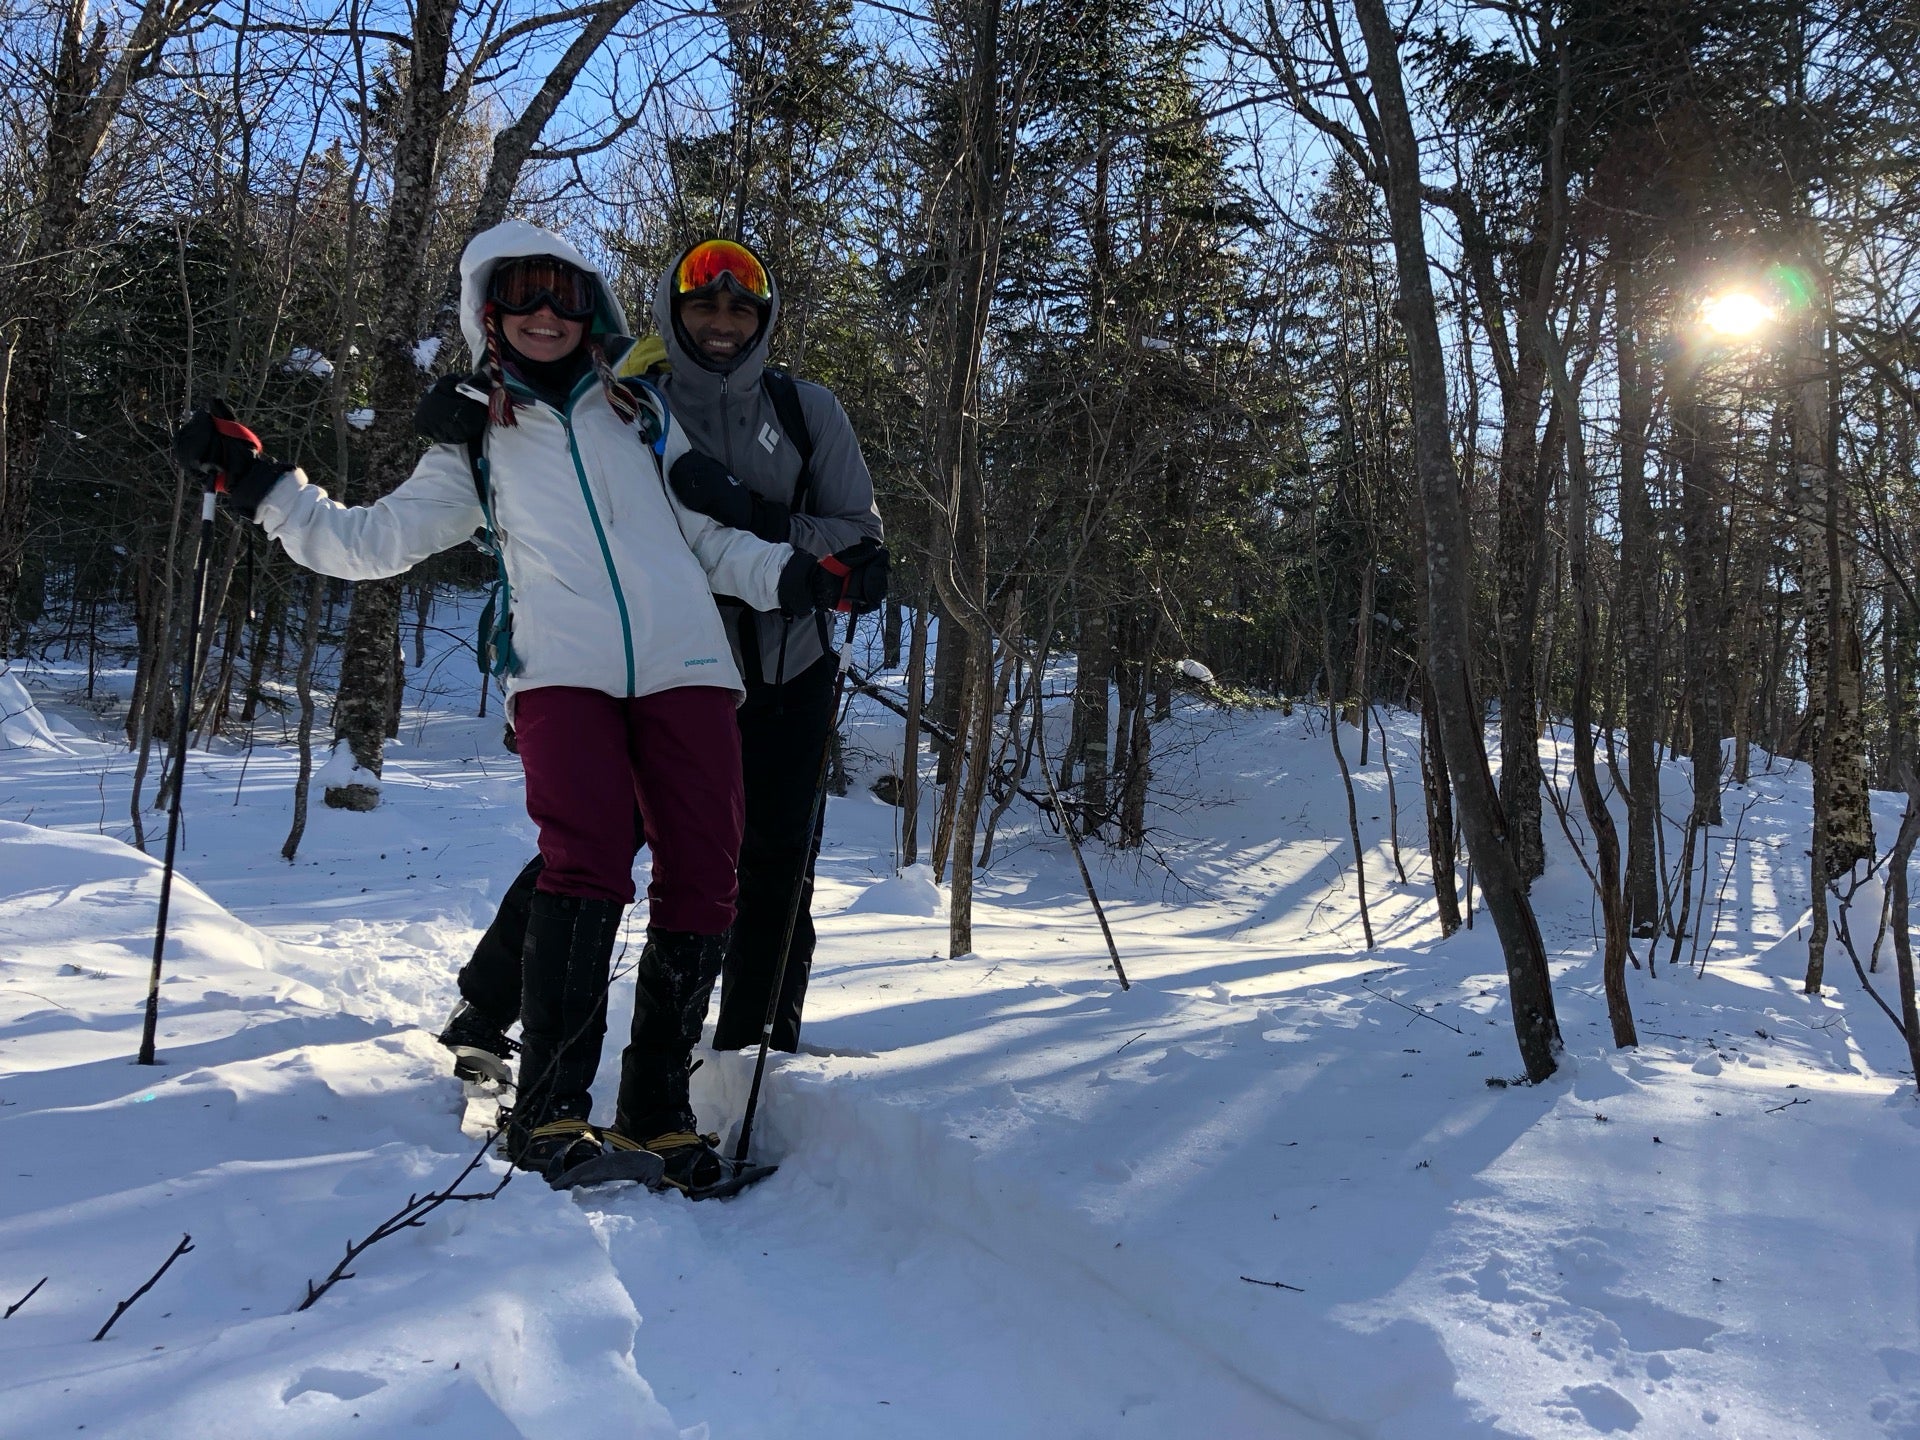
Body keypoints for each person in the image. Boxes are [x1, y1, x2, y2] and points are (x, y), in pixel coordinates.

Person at [172, 220, 886, 1192]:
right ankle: (551, 1107)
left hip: (689, 670)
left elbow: (707, 541)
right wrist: (261, 485)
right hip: (565, 675)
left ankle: (659, 1118)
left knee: (708, 880)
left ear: (591, 304)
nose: (546, 313)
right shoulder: (474, 443)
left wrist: (800, 578)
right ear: (489, 313)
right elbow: (367, 542)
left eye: (564, 294)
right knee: (587, 866)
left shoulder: (639, 413)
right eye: (523, 296)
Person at [435, 235, 884, 1089]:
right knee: (598, 847)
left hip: (788, 670)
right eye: (703, 306)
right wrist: (458, 398)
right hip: (662, 669)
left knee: (774, 867)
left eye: (740, 308)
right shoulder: (632, 398)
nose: (721, 323)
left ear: (764, 319)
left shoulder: (804, 409)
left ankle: (756, 1056)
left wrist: (756, 519)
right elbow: (542, 430)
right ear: (671, 313)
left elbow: (858, 540)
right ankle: (487, 1006)